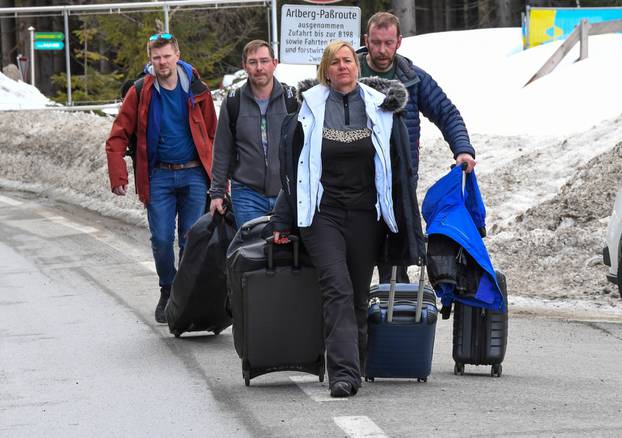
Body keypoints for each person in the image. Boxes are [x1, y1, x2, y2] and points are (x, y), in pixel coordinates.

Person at [270, 40, 427, 398]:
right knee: (336, 288)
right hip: (322, 215)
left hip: (365, 215)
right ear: (325, 72)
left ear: (357, 68)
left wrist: (407, 219)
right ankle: (343, 374)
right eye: (336, 63)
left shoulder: (381, 109)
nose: (343, 67)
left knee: (357, 295)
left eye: (348, 61)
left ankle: (354, 362)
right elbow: (296, 173)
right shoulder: (307, 110)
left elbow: (399, 169)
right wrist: (282, 219)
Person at [105, 33, 217, 323]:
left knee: (191, 240)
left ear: (177, 55)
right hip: (158, 176)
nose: (162, 62)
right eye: (157, 58)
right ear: (150, 59)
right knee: (162, 239)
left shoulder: (196, 87)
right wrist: (118, 174)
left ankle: (186, 294)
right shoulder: (141, 90)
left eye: (167, 56)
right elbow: (117, 135)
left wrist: (220, 178)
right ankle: (167, 288)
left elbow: (213, 135)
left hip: (194, 174)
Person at [358, 11, 477, 283]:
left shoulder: (412, 78)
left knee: (396, 260)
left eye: (388, 43)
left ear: (399, 41)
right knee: (357, 259)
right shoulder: (346, 71)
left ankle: (395, 318)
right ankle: (357, 318)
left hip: (400, 181)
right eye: (376, 42)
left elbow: (446, 113)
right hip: (355, 181)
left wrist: (463, 149)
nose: (381, 49)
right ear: (366, 39)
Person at [209, 40, 296, 229]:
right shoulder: (233, 102)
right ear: (244, 66)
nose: (259, 68)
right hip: (247, 194)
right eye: (253, 62)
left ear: (275, 63)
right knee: (251, 252)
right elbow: (222, 149)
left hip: (287, 192)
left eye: (264, 61)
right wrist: (217, 193)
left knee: (287, 253)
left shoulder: (291, 99)